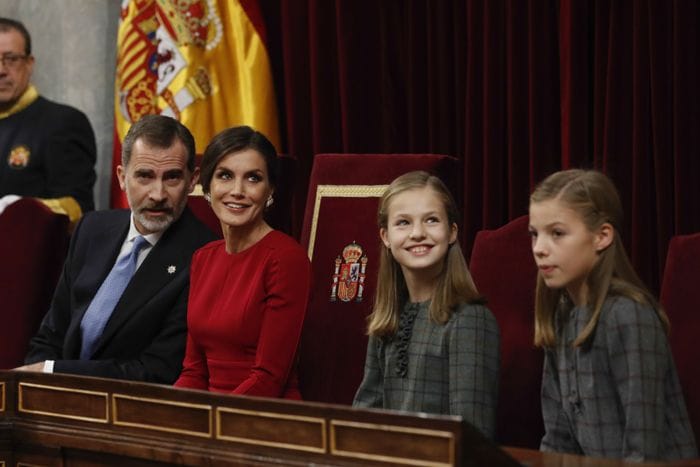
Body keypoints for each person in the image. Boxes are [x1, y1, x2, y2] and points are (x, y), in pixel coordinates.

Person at [20, 115, 216, 383]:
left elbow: (157, 370)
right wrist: (39, 386)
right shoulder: (92, 230)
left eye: (172, 178)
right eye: (145, 176)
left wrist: (52, 372)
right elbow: (50, 335)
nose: (157, 194)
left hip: (133, 412)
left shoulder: (205, 256)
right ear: (122, 178)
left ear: (192, 180)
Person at [529, 169, 697, 461]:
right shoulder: (560, 317)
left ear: (602, 236)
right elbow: (558, 440)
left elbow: (643, 451)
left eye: (557, 233)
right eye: (534, 234)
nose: (540, 249)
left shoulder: (629, 316)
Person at [353, 171, 500, 439]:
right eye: (403, 223)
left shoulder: (469, 319)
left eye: (431, 220)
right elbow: (366, 418)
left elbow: (472, 437)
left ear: (452, 231)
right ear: (385, 237)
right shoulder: (386, 319)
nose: (418, 233)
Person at [174, 126, 311, 398]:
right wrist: (167, 412)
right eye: (225, 175)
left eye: (253, 178)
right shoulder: (203, 258)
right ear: (207, 186)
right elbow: (194, 372)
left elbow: (269, 379)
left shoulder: (286, 259)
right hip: (210, 418)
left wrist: (211, 423)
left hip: (262, 416)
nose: (237, 190)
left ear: (270, 190)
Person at [0, 17, 96, 221]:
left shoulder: (62, 122)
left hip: (26, 250)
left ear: (29, 64)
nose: (1, 70)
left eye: (11, 59)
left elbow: (79, 208)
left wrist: (20, 209)